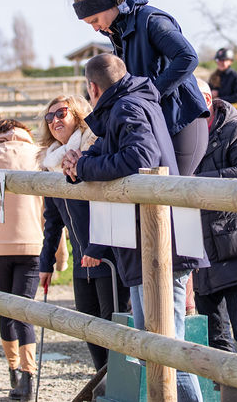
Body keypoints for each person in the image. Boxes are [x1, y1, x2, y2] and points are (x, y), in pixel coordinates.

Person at [63, 54, 204, 402]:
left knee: (165, 346)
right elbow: (113, 152)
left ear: (93, 88)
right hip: (148, 240)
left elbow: (141, 158)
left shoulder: (127, 108)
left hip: (157, 241)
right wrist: (82, 164)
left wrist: (84, 168)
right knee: (152, 343)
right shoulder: (131, 104)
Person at [73, 0, 209, 178]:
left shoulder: (152, 20)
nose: (95, 28)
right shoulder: (117, 35)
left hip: (182, 118)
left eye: (95, 20)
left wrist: (150, 94)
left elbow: (188, 57)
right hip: (151, 119)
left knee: (173, 190)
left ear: (109, 5)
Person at [37, 94, 127, 372]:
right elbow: (52, 219)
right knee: (88, 327)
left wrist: (96, 248)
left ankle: (113, 386)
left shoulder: (93, 150)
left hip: (106, 255)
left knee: (111, 328)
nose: (54, 120)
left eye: (61, 113)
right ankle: (103, 384)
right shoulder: (51, 164)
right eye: (49, 117)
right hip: (80, 259)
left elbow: (108, 202)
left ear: (77, 115)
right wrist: (46, 261)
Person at [0, 119, 45, 401]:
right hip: (33, 243)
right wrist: (58, 252)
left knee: (5, 309)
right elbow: (47, 207)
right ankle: (29, 377)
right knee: (24, 310)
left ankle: (13, 370)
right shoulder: (40, 157)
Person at [191, 79, 237, 357]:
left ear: (206, 100)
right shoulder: (185, 135)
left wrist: (194, 182)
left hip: (236, 250)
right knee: (215, 342)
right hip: (202, 254)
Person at [208, 48, 237, 115]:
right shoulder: (214, 76)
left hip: (233, 109)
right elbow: (208, 89)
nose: (220, 62)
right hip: (218, 109)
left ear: (230, 61)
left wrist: (220, 98)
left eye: (223, 60)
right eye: (218, 60)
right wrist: (211, 93)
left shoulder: (235, 76)